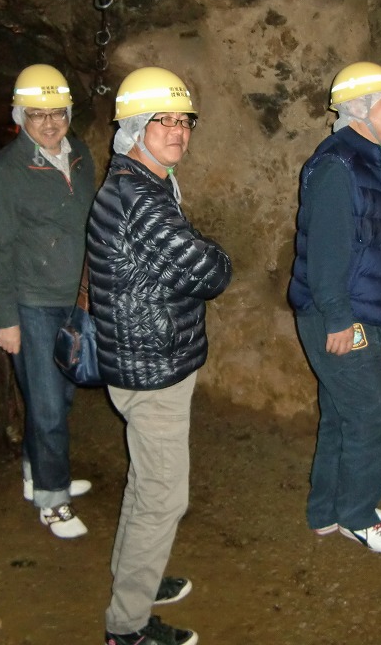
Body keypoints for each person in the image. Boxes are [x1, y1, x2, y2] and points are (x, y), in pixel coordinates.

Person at [88, 67, 232, 645]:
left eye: (183, 121)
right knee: (164, 497)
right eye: (162, 121)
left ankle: (136, 578)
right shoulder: (141, 198)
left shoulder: (136, 181)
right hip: (151, 366)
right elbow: (210, 272)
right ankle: (127, 626)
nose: (177, 131)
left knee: (146, 483)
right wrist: (216, 252)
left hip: (143, 356)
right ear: (134, 128)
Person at [287, 61, 381, 553]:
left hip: (359, 310)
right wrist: (339, 319)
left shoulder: (372, 159)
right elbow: (327, 251)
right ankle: (357, 515)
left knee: (342, 414)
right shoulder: (338, 167)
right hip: (340, 314)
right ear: (360, 110)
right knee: (376, 414)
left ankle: (326, 511)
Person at [0, 64, 95, 537]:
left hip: (75, 299)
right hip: (33, 303)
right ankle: (52, 499)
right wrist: (5, 318)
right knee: (47, 407)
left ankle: (37, 471)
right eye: (37, 114)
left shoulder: (81, 155)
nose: (50, 123)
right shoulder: (6, 172)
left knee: (60, 398)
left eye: (58, 113)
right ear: (20, 116)